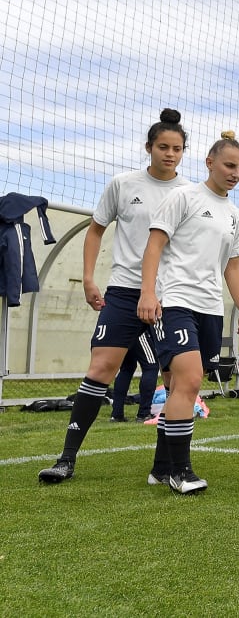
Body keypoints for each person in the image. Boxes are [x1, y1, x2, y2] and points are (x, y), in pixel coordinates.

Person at [38, 109, 190, 485]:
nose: (170, 154)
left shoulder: (189, 193)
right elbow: (95, 230)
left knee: (173, 378)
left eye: (177, 149)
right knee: (100, 369)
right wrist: (90, 278)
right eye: (163, 147)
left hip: (169, 296)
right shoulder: (123, 184)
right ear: (149, 147)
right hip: (123, 291)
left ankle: (163, 467)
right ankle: (66, 459)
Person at [136, 130, 239, 494]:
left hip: (210, 309)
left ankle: (160, 466)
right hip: (176, 301)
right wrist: (148, 293)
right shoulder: (183, 197)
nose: (235, 172)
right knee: (190, 381)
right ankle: (180, 471)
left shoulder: (235, 215)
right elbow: (154, 246)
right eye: (229, 165)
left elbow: (231, 266)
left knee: (176, 386)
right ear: (209, 162)